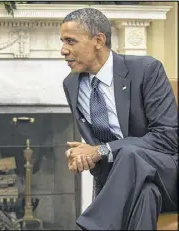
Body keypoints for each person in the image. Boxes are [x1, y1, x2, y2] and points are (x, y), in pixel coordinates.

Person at [61, 8, 178, 230]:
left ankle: (90, 226)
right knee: (146, 194)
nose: (63, 50)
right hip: (125, 182)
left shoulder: (146, 70)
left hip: (167, 176)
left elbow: (168, 137)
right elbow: (96, 148)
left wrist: (101, 150)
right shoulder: (72, 84)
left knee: (131, 153)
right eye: (63, 41)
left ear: (98, 40)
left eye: (71, 41)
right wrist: (83, 155)